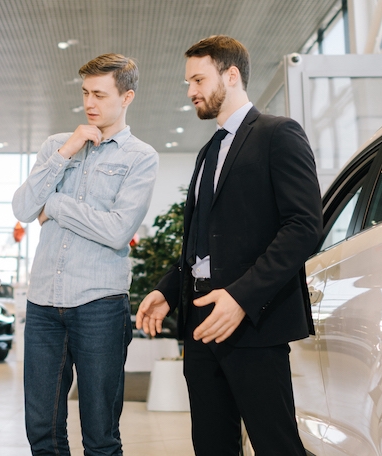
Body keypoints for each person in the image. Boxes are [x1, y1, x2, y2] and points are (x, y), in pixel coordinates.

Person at [135, 35, 322, 455]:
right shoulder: (207, 152)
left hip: (253, 323)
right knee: (211, 445)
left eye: (198, 80)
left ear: (231, 75)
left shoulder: (278, 134)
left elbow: (304, 226)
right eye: (189, 82)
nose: (190, 91)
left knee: (276, 444)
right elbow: (200, 245)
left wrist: (241, 297)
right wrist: (167, 291)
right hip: (201, 325)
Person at [12, 53, 159, 456]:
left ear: (126, 97)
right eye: (84, 93)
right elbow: (23, 208)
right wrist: (65, 153)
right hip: (43, 305)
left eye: (99, 94)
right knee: (42, 432)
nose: (89, 103)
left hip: (100, 306)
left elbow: (116, 231)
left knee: (100, 435)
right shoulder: (56, 146)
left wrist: (55, 206)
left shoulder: (140, 158)